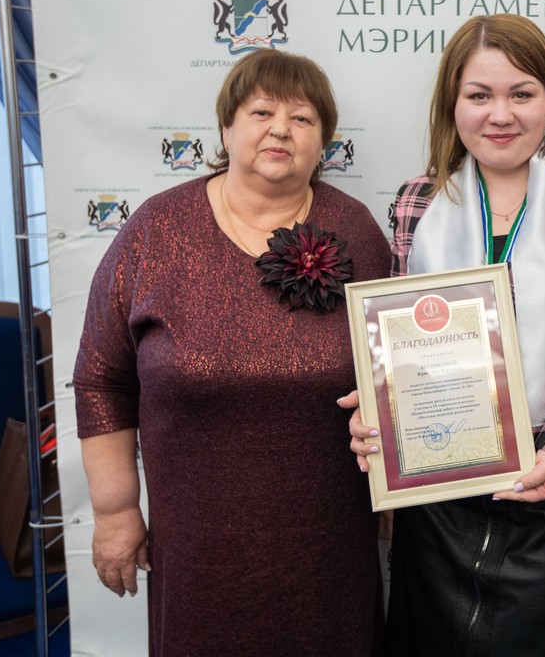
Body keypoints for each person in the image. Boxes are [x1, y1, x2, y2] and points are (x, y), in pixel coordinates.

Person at [342, 13, 545, 655]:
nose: (501, 115)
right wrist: (380, 415)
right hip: (440, 499)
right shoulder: (418, 200)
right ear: (452, 103)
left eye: (522, 93)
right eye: (479, 95)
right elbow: (400, 343)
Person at [74, 49, 390, 656]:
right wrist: (115, 511)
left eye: (302, 118)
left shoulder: (356, 230)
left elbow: (394, 370)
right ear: (225, 128)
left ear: (324, 141)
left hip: (330, 547)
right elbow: (101, 379)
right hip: (197, 551)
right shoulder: (156, 230)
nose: (281, 129)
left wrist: (403, 475)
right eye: (261, 112)